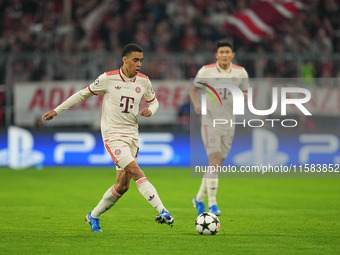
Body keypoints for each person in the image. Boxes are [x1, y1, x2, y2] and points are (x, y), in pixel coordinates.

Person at [42, 43, 174, 232]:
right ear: (125, 59)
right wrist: (57, 110)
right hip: (113, 136)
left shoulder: (144, 81)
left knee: (122, 186)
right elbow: (82, 94)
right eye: (135, 60)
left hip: (132, 136)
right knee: (137, 171)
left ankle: (93, 215)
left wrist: (150, 111)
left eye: (141, 61)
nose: (139, 64)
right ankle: (163, 210)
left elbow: (154, 102)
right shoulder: (108, 78)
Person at [189, 40, 249, 216]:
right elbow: (193, 90)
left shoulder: (241, 72)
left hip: (229, 124)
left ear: (232, 55)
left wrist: (243, 98)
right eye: (221, 52)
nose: (224, 55)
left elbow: (245, 92)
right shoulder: (206, 71)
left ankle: (198, 198)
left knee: (215, 165)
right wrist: (196, 105)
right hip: (210, 122)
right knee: (214, 161)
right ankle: (213, 204)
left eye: (227, 52)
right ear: (216, 55)